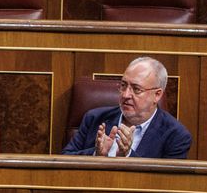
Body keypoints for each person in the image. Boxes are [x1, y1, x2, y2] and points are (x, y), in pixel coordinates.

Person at [62, 57, 192, 159]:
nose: (125, 95)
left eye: (136, 89)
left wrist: (129, 156)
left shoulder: (176, 136)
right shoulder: (94, 118)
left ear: (157, 95)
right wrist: (97, 155)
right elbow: (65, 160)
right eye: (123, 85)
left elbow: (167, 183)